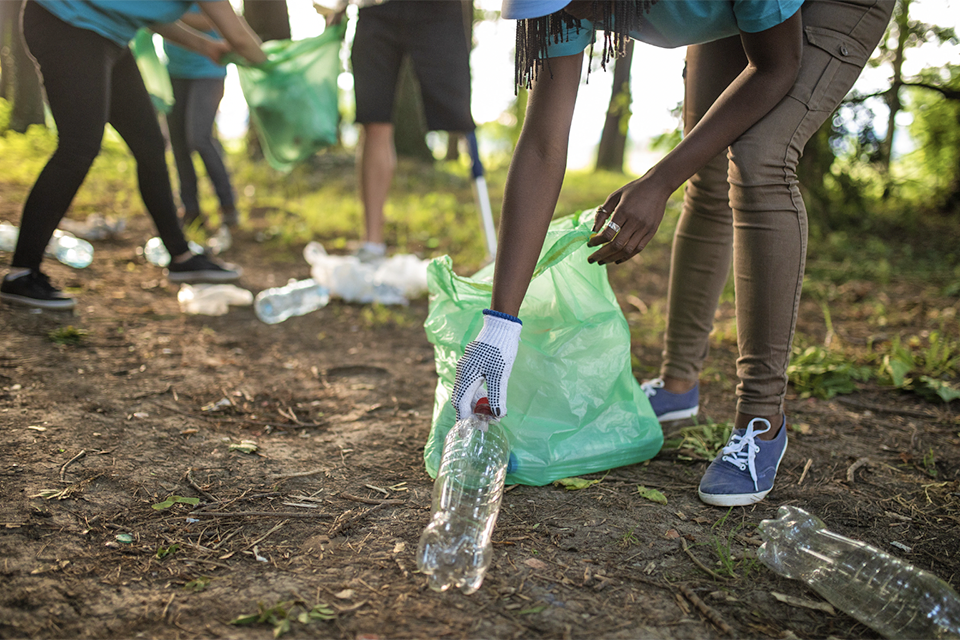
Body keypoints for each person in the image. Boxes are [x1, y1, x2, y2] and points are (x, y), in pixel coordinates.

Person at [452, 0, 894, 506]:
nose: (570, 14)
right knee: (705, 176)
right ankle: (678, 387)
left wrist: (659, 181)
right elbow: (541, 144)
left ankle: (761, 419)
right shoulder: (557, 5)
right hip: (735, 11)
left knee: (760, 159)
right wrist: (499, 328)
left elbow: (776, 67)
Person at [0, 0, 266, 311]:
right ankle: (22, 273)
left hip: (109, 36)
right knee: (78, 147)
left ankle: (181, 257)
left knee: (150, 146)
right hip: (67, 24)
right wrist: (278, 68)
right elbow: (240, 38)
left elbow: (147, 13)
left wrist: (204, 46)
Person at [332, 0, 475, 261]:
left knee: (460, 116)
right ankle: (372, 245)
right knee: (373, 118)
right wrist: (340, 5)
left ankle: (492, 243)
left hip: (438, 10)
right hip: (374, 8)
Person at [164, 4, 240, 230]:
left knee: (200, 138)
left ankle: (228, 205)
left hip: (208, 70)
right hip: (174, 70)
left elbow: (212, 19)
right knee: (178, 143)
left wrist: (163, 14)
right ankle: (191, 210)